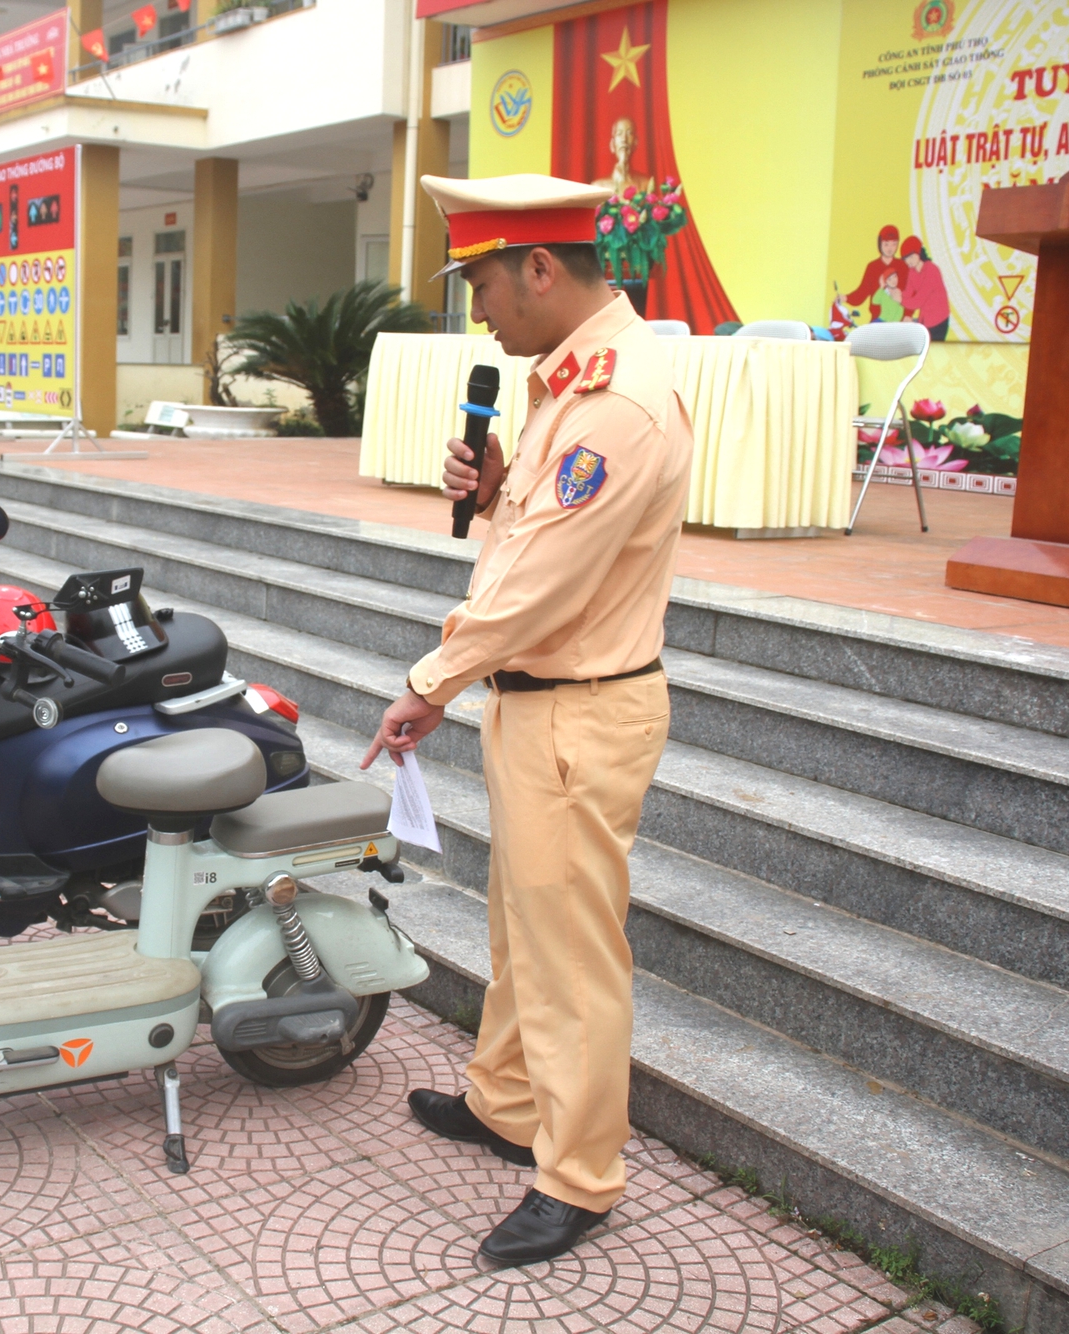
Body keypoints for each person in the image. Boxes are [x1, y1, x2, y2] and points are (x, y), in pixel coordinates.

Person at [360, 172, 693, 1269]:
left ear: (541, 268)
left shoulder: (616, 400)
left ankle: (580, 1174)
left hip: (578, 711)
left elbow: (541, 585)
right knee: (521, 929)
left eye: (483, 283)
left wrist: (429, 679)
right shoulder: (568, 378)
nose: (477, 310)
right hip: (539, 702)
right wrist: (498, 489)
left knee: (570, 958)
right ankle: (506, 1101)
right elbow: (542, 539)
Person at [843, 224, 906, 312]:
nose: (890, 248)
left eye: (894, 244)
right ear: (880, 243)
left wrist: (908, 315)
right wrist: (846, 298)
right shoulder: (872, 267)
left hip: (899, 319)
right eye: (886, 244)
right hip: (877, 320)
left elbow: (910, 293)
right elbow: (862, 293)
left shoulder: (903, 266)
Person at [899, 235, 951, 341]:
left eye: (911, 257)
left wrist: (900, 299)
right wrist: (894, 292)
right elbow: (908, 293)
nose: (908, 261)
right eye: (905, 258)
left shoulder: (932, 270)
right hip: (925, 319)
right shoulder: (912, 272)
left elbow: (918, 301)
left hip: (938, 320)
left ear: (919, 253)